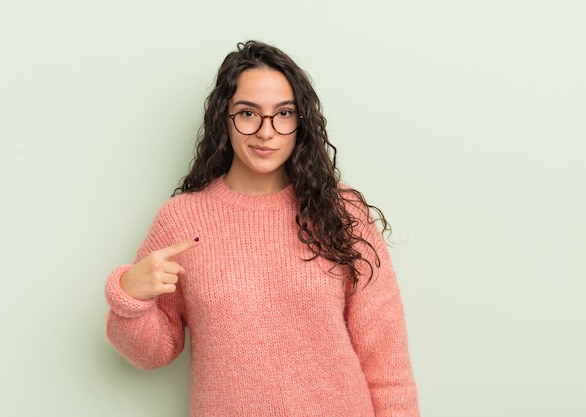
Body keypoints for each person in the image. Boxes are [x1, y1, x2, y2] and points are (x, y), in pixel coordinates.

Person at [105, 40, 420, 416]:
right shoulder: (182, 220)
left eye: (283, 113)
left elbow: (386, 360)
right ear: (225, 118)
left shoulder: (342, 211)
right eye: (248, 113)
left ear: (301, 121)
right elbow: (153, 353)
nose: (266, 131)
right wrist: (130, 298)